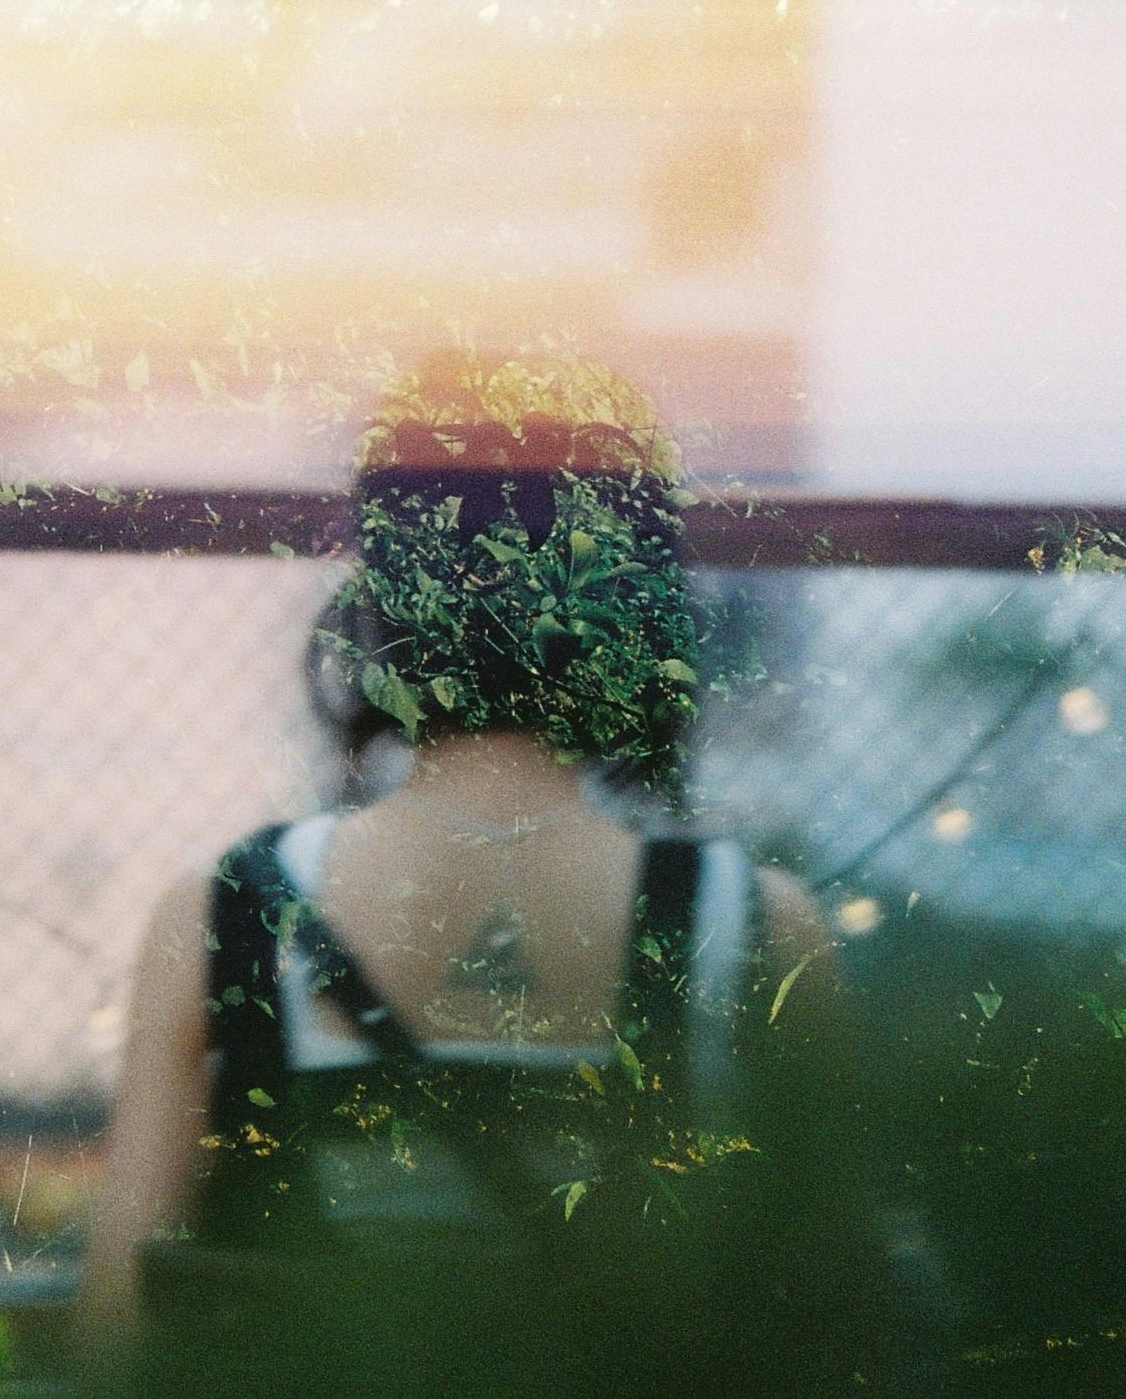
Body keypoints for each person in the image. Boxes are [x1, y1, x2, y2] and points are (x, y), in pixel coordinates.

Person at [80, 355, 883, 1399]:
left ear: (379, 596)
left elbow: (114, 1327)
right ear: (628, 606)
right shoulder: (762, 930)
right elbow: (839, 1321)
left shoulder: (225, 910)